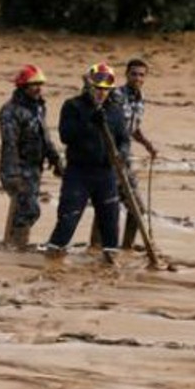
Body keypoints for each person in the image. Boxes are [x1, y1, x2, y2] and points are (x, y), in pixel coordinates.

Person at [45, 62, 130, 262]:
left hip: (105, 172)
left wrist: (121, 154)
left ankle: (110, 259)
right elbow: (66, 135)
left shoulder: (116, 111)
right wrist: (90, 119)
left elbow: (124, 139)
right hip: (79, 171)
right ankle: (54, 256)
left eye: (105, 90)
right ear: (89, 87)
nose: (101, 93)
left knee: (110, 219)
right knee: (68, 216)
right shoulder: (73, 106)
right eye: (97, 89)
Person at [0, 64, 63, 249]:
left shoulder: (38, 107)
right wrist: (13, 174)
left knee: (25, 209)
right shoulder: (10, 111)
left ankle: (14, 243)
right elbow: (9, 144)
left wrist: (55, 158)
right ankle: (16, 246)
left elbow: (45, 135)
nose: (38, 88)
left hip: (35, 166)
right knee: (28, 209)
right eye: (34, 85)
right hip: (19, 167)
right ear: (22, 86)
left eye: (40, 84)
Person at [97, 58, 158, 249]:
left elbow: (133, 129)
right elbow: (103, 125)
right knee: (106, 205)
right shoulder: (115, 96)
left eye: (141, 75)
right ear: (127, 75)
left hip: (125, 159)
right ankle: (96, 248)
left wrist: (147, 144)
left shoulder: (140, 99)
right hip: (107, 159)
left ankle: (126, 247)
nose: (137, 78)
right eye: (134, 74)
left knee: (137, 208)